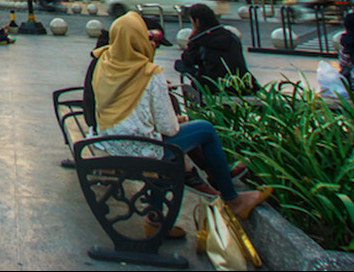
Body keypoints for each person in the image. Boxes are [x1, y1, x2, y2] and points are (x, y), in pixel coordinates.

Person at [92, 12, 271, 232]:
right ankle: (232, 198)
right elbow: (168, 127)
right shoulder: (148, 73)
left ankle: (154, 220)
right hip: (139, 148)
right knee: (203, 130)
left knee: (167, 149)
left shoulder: (105, 61)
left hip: (109, 141)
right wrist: (174, 119)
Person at [175, 3, 259, 94]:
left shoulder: (199, 40)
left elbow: (187, 60)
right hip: (240, 82)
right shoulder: (231, 36)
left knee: (179, 64)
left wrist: (192, 37)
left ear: (197, 21)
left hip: (213, 86)